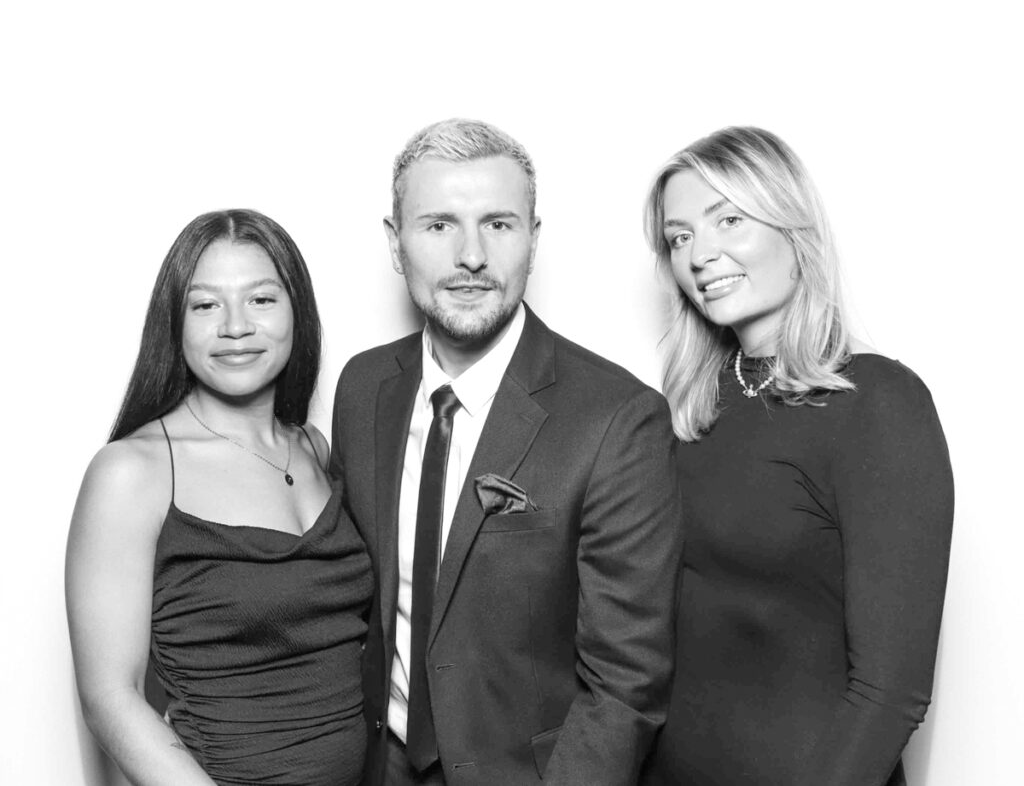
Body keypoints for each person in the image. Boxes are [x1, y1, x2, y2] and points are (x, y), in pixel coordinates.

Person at [330, 118, 681, 785]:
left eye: (498, 224)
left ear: (533, 239)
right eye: (437, 225)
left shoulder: (616, 419)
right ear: (395, 243)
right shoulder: (362, 388)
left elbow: (626, 684)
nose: (470, 255)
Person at [638, 127, 954, 786]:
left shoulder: (878, 404)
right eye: (680, 236)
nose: (702, 254)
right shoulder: (687, 409)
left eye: (729, 219)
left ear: (792, 226)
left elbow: (890, 693)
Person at [66, 209, 371, 786]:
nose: (235, 326)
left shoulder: (315, 448)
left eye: (261, 299)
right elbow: (109, 696)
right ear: (174, 325)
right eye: (205, 305)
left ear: (296, 313)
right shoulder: (133, 472)